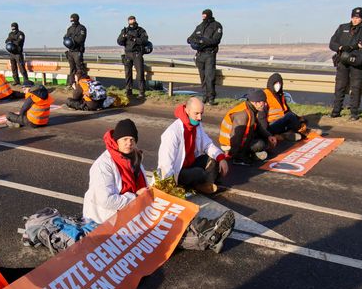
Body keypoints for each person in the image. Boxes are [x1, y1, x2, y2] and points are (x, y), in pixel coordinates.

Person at [83, 119, 235, 253]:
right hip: (107, 218)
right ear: (116, 141)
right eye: (124, 139)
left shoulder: (133, 157)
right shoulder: (103, 165)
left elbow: (141, 184)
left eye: (132, 139)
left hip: (132, 206)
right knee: (161, 228)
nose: (129, 143)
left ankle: (207, 228)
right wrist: (136, 197)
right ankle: (207, 236)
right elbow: (106, 201)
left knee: (169, 208)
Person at [158, 96, 229, 195]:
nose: (200, 117)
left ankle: (203, 185)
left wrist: (221, 158)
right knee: (199, 173)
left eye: (201, 113)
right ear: (187, 110)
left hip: (190, 164)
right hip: (178, 172)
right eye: (196, 113)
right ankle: (201, 185)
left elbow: (207, 145)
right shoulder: (172, 132)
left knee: (214, 160)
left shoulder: (196, 125)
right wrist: (167, 186)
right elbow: (166, 162)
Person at [329, 7, 362, 120]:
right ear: (351, 17)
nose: (356, 19)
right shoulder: (343, 27)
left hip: (357, 62)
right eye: (354, 17)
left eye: (358, 17)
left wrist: (359, 46)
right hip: (343, 61)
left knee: (356, 87)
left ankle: (354, 113)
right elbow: (332, 43)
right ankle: (336, 111)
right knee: (340, 86)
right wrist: (340, 47)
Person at [218, 89, 276, 165]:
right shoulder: (243, 115)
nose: (265, 104)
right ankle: (242, 156)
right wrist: (238, 157)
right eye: (264, 102)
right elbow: (235, 138)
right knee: (260, 144)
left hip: (241, 141)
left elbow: (257, 126)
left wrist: (268, 136)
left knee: (264, 140)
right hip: (229, 145)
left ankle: (250, 154)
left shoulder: (251, 109)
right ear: (256, 102)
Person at [261, 73, 314, 141]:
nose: (278, 86)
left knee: (300, 120)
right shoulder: (265, 95)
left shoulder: (280, 95)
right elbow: (261, 117)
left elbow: (287, 110)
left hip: (280, 122)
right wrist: (266, 133)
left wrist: (298, 118)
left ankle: (285, 135)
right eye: (276, 84)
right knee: (290, 116)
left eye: (279, 84)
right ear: (271, 84)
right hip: (271, 125)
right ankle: (304, 132)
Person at [187, 9, 223, 105]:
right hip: (200, 55)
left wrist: (202, 41)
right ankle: (205, 96)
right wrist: (192, 41)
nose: (203, 17)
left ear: (209, 15)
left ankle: (211, 98)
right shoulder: (199, 26)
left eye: (205, 15)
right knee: (203, 77)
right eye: (202, 15)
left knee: (210, 77)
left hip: (210, 54)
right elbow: (190, 38)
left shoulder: (216, 25)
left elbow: (216, 40)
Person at [117, 15, 148, 98]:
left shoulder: (140, 30)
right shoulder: (125, 30)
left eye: (133, 20)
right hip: (127, 54)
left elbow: (144, 40)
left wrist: (134, 39)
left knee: (140, 73)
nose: (131, 21)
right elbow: (119, 42)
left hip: (137, 53)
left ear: (135, 20)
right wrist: (123, 37)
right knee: (128, 73)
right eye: (130, 20)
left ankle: (141, 92)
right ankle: (128, 90)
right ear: (128, 21)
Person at [64, 13, 87, 85]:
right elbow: (66, 38)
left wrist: (72, 40)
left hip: (78, 51)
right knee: (72, 69)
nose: (72, 22)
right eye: (71, 20)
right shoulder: (69, 29)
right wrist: (68, 41)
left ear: (77, 19)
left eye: (73, 20)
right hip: (70, 52)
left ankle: (81, 85)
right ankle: (71, 84)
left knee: (80, 68)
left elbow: (81, 39)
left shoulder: (82, 28)